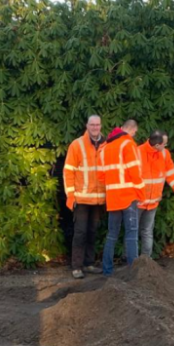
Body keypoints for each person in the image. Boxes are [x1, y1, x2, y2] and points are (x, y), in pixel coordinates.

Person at [62, 114, 106, 279]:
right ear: (87, 126)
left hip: (98, 198)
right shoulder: (77, 144)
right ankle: (77, 266)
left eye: (97, 125)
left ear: (101, 126)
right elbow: (68, 171)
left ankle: (88, 263)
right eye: (92, 125)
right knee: (80, 232)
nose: (95, 127)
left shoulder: (106, 144)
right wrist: (70, 195)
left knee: (93, 232)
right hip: (81, 198)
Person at [98, 119, 143, 276]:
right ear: (130, 130)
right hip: (128, 196)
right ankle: (134, 271)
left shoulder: (105, 148)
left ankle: (107, 271)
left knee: (112, 234)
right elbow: (135, 172)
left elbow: (101, 176)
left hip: (113, 198)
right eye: (135, 133)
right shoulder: (128, 144)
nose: (134, 135)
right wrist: (141, 194)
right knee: (131, 234)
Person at [138, 131, 174, 259]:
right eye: (164, 144)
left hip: (152, 202)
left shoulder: (164, 154)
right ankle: (131, 262)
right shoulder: (138, 152)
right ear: (157, 145)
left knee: (147, 231)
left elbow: (170, 175)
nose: (166, 146)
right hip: (137, 201)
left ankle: (146, 261)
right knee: (133, 232)